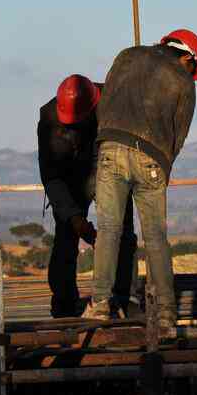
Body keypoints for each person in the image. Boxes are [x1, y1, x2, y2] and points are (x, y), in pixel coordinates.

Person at [84, 30, 197, 328]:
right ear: (188, 57)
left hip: (110, 147)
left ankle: (100, 304)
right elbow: (179, 134)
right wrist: (163, 166)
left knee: (109, 229)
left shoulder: (127, 55)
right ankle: (165, 313)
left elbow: (105, 101)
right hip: (151, 157)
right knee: (155, 238)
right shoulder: (184, 81)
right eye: (193, 66)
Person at [38, 74, 139, 318]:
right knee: (66, 234)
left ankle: (126, 298)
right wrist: (74, 217)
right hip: (71, 172)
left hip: (109, 164)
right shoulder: (50, 120)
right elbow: (52, 176)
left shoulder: (114, 106)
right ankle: (63, 301)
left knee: (121, 231)